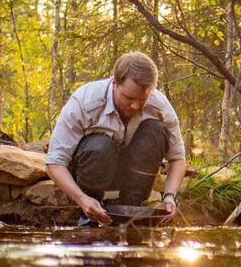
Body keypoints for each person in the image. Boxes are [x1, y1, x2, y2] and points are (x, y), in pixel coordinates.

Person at [45, 52, 187, 226]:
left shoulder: (159, 105)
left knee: (156, 129)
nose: (135, 105)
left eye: (142, 99)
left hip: (133, 174)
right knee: (100, 146)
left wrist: (170, 196)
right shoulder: (84, 101)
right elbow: (54, 163)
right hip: (90, 171)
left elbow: (178, 159)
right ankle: (90, 214)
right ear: (114, 83)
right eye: (129, 98)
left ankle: (130, 211)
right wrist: (81, 199)